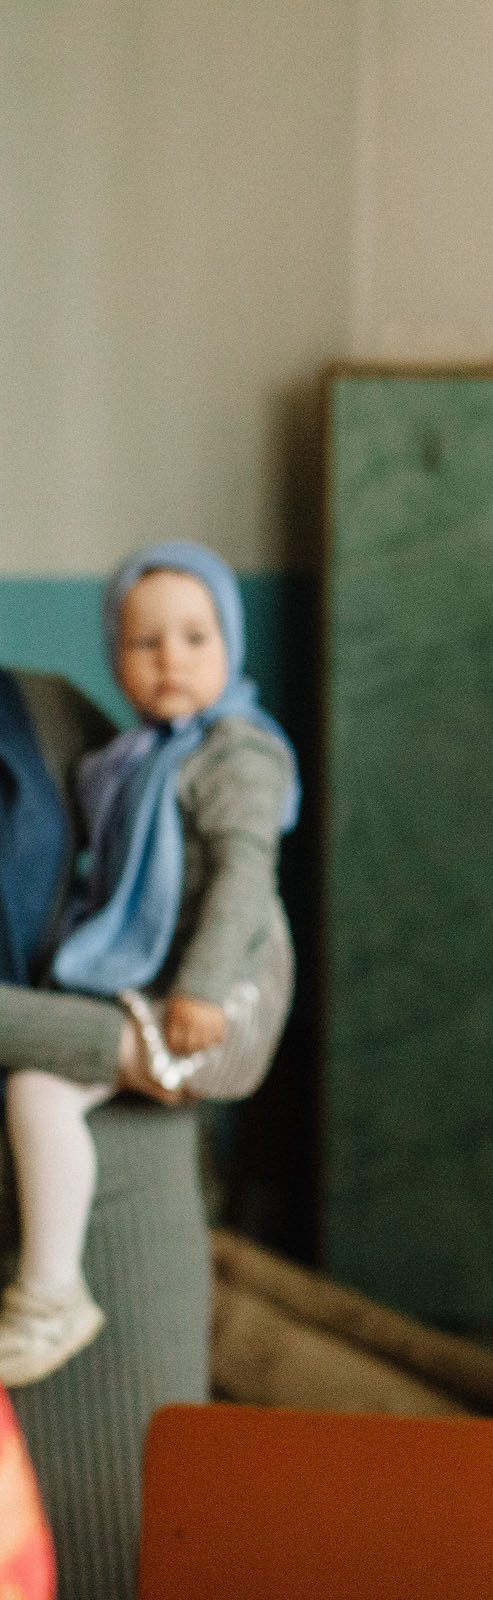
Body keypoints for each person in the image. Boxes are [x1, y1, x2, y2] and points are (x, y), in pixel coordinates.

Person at [0, 546, 296, 1386]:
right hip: (160, 989)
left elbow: (244, 881)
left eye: (195, 638)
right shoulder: (132, 758)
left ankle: (50, 1292)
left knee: (36, 1060)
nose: (171, 660)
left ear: (229, 644)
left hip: (227, 990)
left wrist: (203, 988)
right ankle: (52, 1292)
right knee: (39, 1088)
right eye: (145, 644)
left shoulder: (238, 753)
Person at [2, 661, 200, 1600]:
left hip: (122, 1246)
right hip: (94, 1103)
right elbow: (157, 1046)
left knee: (128, 1555)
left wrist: (171, 1042)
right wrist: (124, 1043)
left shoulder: (48, 713)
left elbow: (245, 1000)